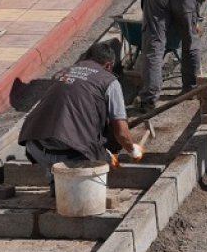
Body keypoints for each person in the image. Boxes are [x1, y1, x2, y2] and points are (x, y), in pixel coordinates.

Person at [19, 42, 140, 183]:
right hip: (71, 157)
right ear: (108, 65)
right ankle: (68, 185)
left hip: (36, 148)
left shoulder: (61, 73)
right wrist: (133, 150)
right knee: (105, 161)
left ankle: (55, 178)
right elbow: (121, 132)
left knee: (62, 146)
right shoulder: (109, 82)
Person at [136, 0, 207, 110]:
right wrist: (195, 11)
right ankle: (190, 89)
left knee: (154, 44)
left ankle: (149, 97)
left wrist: (151, 9)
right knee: (190, 41)